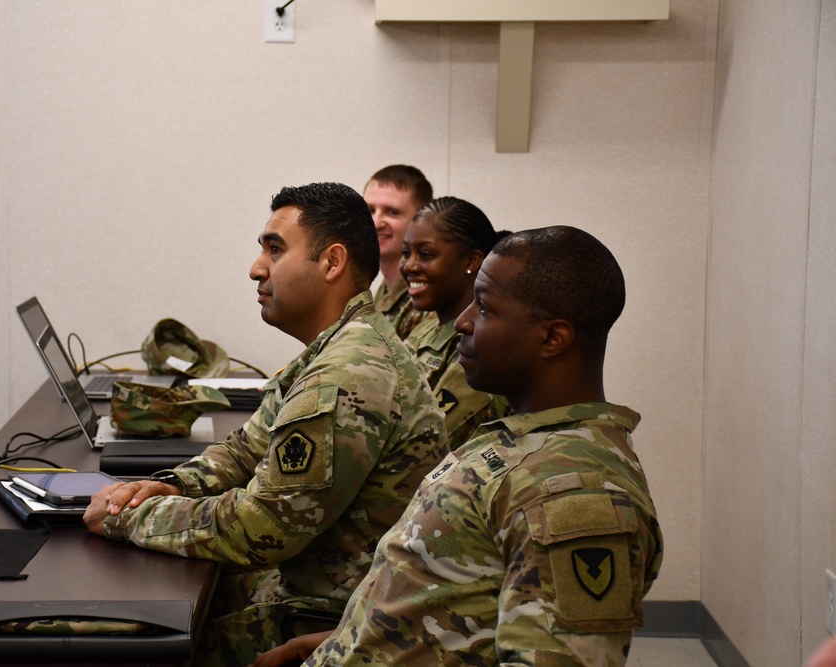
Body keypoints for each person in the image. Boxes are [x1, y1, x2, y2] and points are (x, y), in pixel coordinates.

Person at [255, 225, 663, 666]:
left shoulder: (573, 492)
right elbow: (455, 600)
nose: (463, 321)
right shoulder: (526, 441)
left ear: (552, 338)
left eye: (484, 307)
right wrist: (347, 637)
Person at [84, 182, 447, 667]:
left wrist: (124, 517)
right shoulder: (335, 349)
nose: (256, 268)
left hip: (326, 620)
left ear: (332, 263)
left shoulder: (351, 370)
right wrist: (166, 486)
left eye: (275, 250)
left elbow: (264, 526)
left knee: (118, 645)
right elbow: (243, 449)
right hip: (304, 591)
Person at [400, 196, 512, 449]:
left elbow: (428, 447)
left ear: (471, 261)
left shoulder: (481, 345)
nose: (409, 265)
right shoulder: (426, 329)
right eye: (405, 252)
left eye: (426, 254)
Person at [362, 164, 435, 340]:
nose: (376, 222)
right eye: (370, 210)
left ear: (421, 220)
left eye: (392, 212)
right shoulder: (382, 291)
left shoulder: (428, 298)